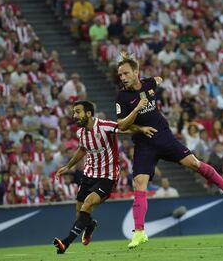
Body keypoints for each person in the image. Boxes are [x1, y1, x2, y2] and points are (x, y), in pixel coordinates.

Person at [115, 52, 223, 249]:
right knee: (139, 183)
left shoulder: (149, 84)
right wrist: (137, 115)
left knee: (194, 163)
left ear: (136, 72)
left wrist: (157, 80)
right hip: (144, 143)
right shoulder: (122, 97)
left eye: (126, 73)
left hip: (165, 137)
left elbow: (157, 80)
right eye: (120, 75)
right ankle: (139, 232)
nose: (123, 78)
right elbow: (121, 126)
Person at [53, 100, 154, 254]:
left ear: (88, 113)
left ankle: (65, 243)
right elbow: (82, 149)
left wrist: (141, 128)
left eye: (78, 112)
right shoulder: (80, 132)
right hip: (88, 175)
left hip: (107, 177)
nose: (74, 115)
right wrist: (68, 166)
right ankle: (90, 224)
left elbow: (123, 128)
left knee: (87, 204)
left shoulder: (104, 126)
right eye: (74, 112)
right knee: (80, 212)